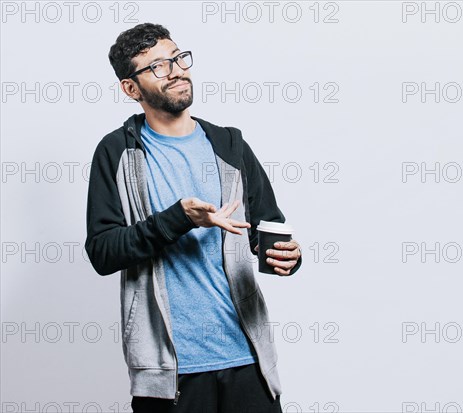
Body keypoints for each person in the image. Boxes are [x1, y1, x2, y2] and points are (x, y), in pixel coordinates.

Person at [85, 22, 302, 413]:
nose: (177, 70)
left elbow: (268, 227)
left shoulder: (230, 144)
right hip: (170, 374)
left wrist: (288, 256)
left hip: (248, 359)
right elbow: (103, 252)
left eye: (178, 58)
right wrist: (178, 218)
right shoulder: (117, 152)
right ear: (131, 89)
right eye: (158, 66)